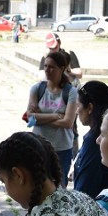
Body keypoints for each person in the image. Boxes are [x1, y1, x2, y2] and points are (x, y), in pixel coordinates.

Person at [28, 51, 78, 184]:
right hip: (39, 145)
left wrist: (41, 116)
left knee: (59, 187)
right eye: (45, 66)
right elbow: (30, 118)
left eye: (51, 67)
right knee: (37, 185)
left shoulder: (71, 92)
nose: (47, 70)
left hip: (61, 149)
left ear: (62, 69)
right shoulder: (37, 88)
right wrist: (55, 115)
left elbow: (68, 122)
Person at [72, 80, 108, 198]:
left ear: (89, 107)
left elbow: (84, 190)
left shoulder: (94, 140)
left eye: (78, 106)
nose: (76, 111)